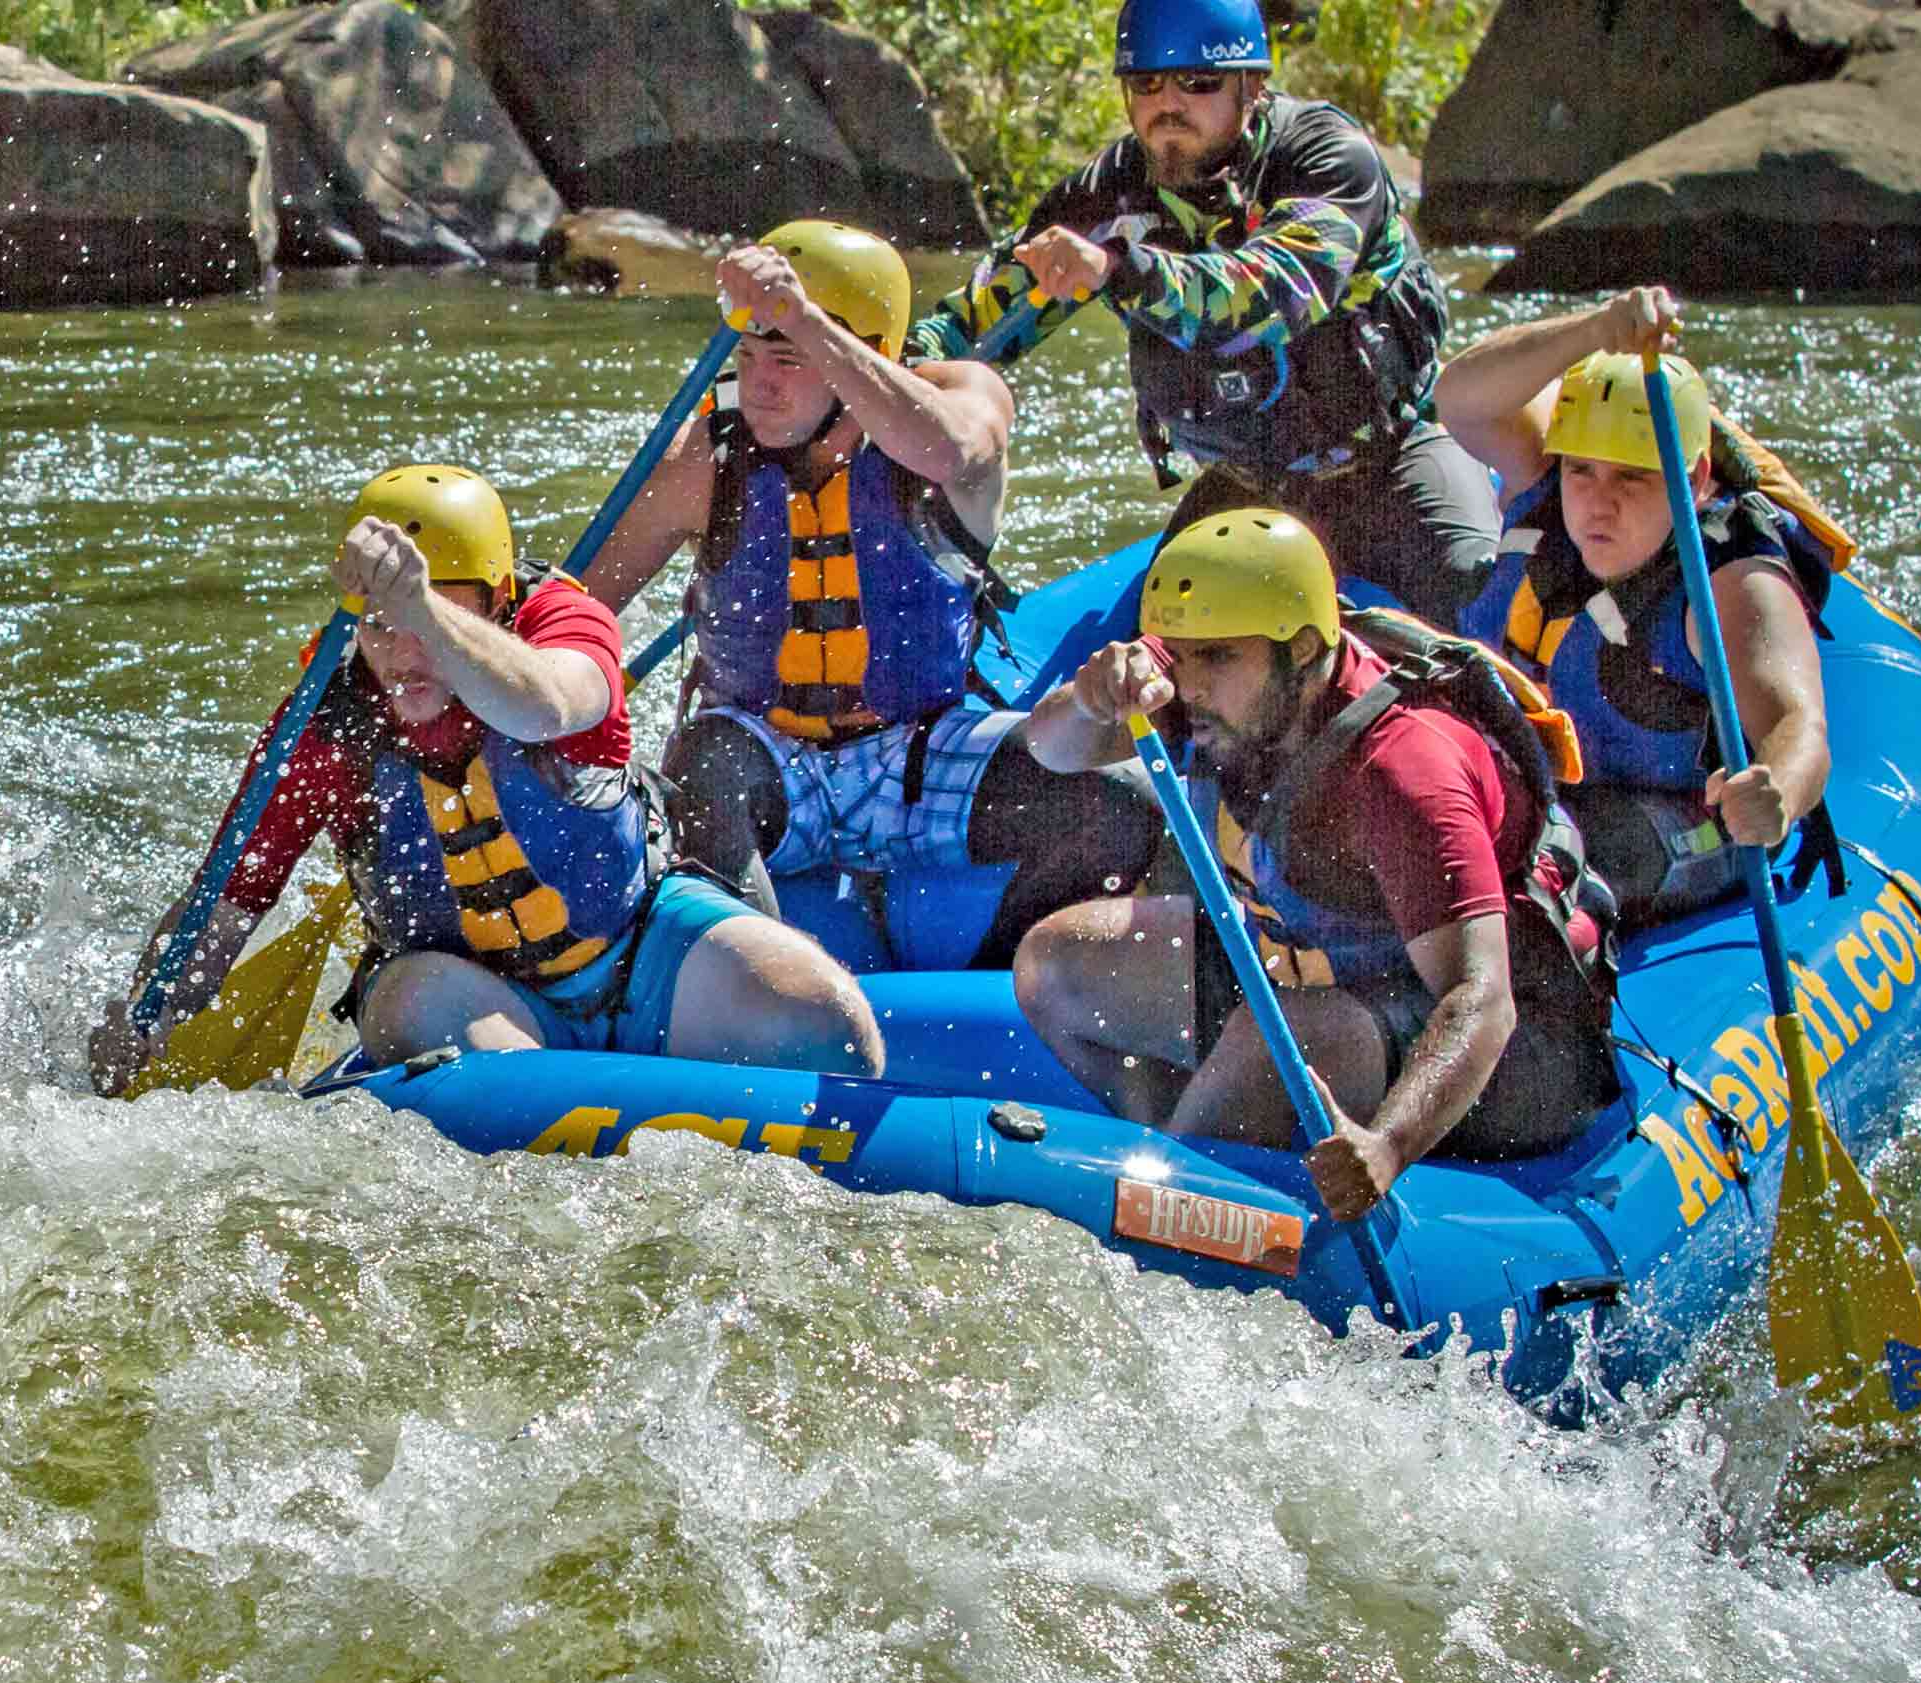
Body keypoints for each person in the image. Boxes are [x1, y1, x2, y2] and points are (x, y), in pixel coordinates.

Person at [88, 464, 884, 1097]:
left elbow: (548, 705)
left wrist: (421, 607)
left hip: (638, 944)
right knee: (467, 1051)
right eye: (380, 625)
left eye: (431, 620)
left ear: (497, 605)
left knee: (832, 1025)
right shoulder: (323, 725)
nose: (404, 654)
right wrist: (147, 1019)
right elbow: (224, 910)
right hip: (458, 990)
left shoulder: (565, 626)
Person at [1010, 510, 1618, 1220]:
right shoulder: (1226, 692)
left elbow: (1482, 999)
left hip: (1517, 1053)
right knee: (1057, 963)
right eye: (1179, 655)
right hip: (1321, 970)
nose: (1190, 685)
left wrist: (1386, 1147)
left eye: (1216, 658)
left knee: (1288, 1035)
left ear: (1301, 651)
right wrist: (1088, 699)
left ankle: (1180, 1202)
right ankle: (1183, 1148)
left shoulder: (1403, 770)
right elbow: (1050, 748)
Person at [583, 218, 1160, 966]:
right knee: (703, 761)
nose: (758, 382)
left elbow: (949, 448)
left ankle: (997, 985)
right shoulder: (707, 455)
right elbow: (586, 607)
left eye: (786, 358)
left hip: (918, 749)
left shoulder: (961, 399)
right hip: (764, 755)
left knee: (1120, 806)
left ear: (864, 353)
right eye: (749, 353)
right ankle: (758, 992)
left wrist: (806, 320)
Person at [906, 0, 1496, 624]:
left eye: (1198, 83)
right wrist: (892, 365)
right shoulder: (1108, 191)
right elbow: (979, 317)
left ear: (1253, 84)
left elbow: (1267, 297)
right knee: (1160, 649)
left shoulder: (1329, 160)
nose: (1169, 105)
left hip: (1392, 462)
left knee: (1474, 599)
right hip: (1248, 486)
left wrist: (1122, 269)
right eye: (1146, 84)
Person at [1433, 286, 1842, 926]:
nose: (1600, 502)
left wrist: (1775, 794)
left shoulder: (1731, 580)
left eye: (1634, 477)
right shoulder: (1544, 483)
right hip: (1537, 786)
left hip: (1668, 819)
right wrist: (1593, 330)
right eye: (1584, 472)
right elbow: (1458, 396)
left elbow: (1799, 727)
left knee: (1578, 856)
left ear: (1697, 477)